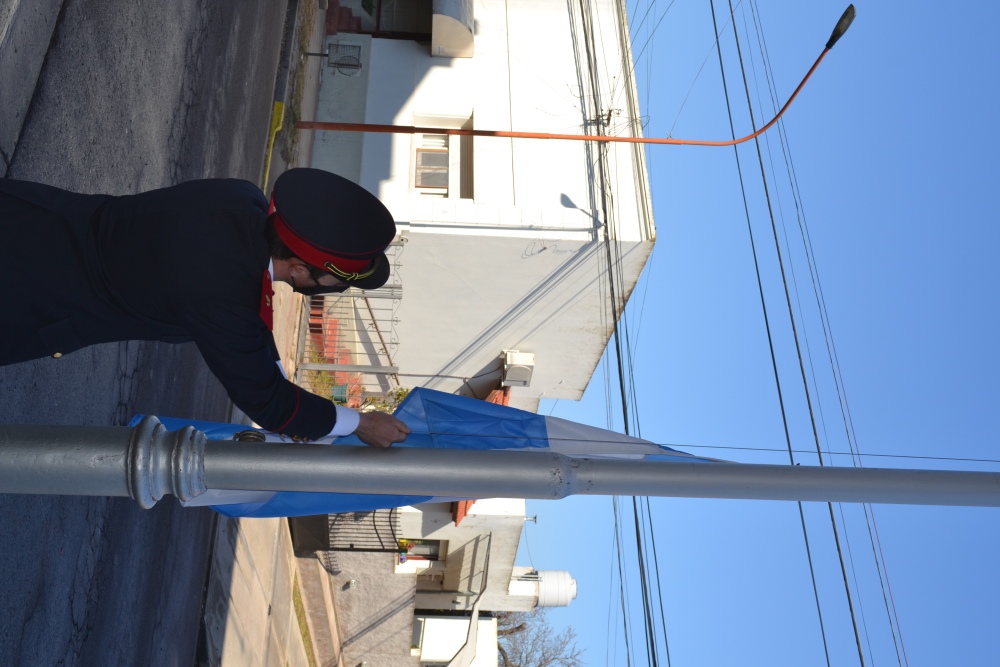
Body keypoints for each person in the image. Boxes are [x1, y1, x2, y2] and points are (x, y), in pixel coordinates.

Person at [0, 168, 410, 447]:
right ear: (301, 269)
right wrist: (362, 423)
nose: (339, 288)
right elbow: (271, 404)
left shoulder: (239, 197)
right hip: (24, 296)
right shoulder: (226, 297)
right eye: (339, 280)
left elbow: (253, 320)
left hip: (29, 215)